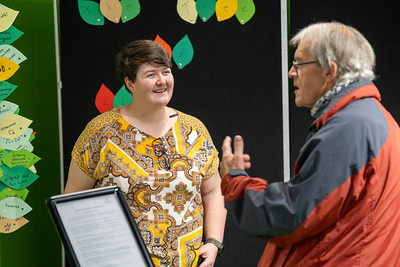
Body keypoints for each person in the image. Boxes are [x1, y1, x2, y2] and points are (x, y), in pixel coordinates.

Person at [219, 22, 400, 266]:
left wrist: (235, 182)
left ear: (329, 71)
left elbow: (290, 216)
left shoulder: (350, 129)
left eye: (299, 63)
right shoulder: (370, 119)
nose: (291, 73)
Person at [64, 40, 226, 267]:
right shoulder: (100, 132)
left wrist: (213, 242)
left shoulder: (194, 130)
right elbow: (72, 204)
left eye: (166, 72)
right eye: (151, 74)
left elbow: (213, 191)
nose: (162, 81)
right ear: (129, 83)